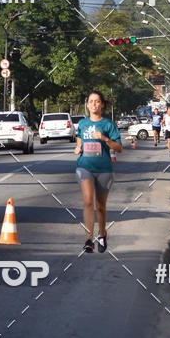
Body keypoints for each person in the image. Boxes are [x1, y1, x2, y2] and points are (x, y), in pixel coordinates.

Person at [75, 90, 122, 253]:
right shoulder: (82, 124)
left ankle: (102, 234)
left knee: (100, 206)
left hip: (104, 169)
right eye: (91, 101)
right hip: (84, 166)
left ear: (102, 104)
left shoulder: (108, 125)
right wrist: (78, 147)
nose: (94, 104)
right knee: (88, 201)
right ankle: (89, 239)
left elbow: (119, 148)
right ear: (87, 105)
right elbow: (80, 139)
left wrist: (105, 139)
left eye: (97, 101)